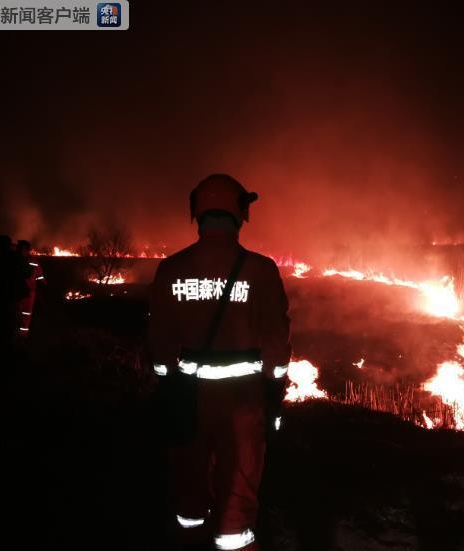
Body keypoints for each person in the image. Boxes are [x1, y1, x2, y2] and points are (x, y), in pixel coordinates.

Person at [149, 174, 291, 550]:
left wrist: (167, 387)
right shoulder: (261, 270)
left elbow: (159, 345)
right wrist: (274, 394)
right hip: (243, 404)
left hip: (187, 400)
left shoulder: (171, 269)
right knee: (236, 499)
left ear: (196, 212)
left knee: (188, 495)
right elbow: (277, 344)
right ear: (241, 213)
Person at [15, 240, 45, 337]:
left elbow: (39, 276)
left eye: (24, 249)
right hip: (16, 291)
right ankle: (15, 335)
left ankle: (22, 335)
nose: (21, 250)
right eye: (20, 248)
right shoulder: (13, 259)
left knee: (26, 314)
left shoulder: (34, 261)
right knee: (15, 312)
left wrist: (44, 283)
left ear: (28, 250)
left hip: (30, 292)